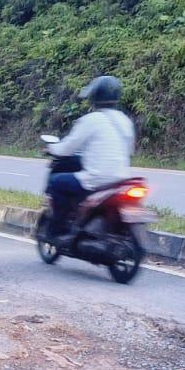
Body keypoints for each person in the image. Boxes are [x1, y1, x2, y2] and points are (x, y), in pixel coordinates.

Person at [45, 75, 135, 244]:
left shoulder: (91, 120)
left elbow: (67, 148)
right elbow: (129, 150)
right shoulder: (125, 121)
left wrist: (52, 148)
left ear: (95, 97)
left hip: (95, 181)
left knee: (56, 182)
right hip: (121, 180)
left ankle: (58, 230)